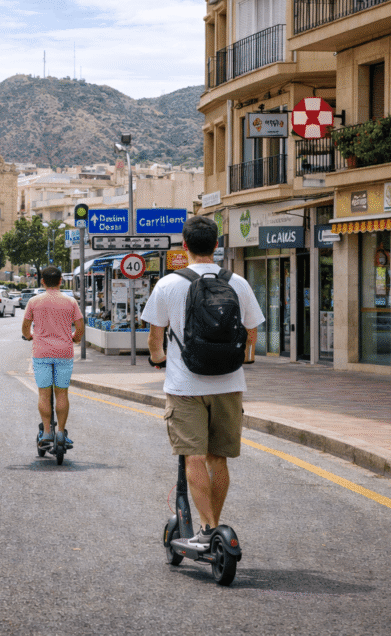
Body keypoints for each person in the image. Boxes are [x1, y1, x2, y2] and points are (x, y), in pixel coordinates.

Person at [141, 216, 265, 552]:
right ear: (216, 245)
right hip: (229, 383)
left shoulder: (168, 284)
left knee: (193, 458)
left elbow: (155, 338)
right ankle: (215, 529)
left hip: (185, 386)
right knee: (218, 459)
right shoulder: (237, 282)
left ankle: (207, 527)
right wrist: (245, 358)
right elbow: (252, 331)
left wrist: (158, 358)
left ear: (185, 245)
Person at [21, 266, 85, 448]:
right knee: (62, 392)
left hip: (41, 353)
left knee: (44, 393)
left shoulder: (34, 301)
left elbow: (25, 328)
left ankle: (47, 433)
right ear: (60, 281)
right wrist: (75, 338)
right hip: (64, 353)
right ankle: (61, 433)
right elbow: (80, 328)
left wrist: (30, 336)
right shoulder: (71, 302)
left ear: (42, 281)